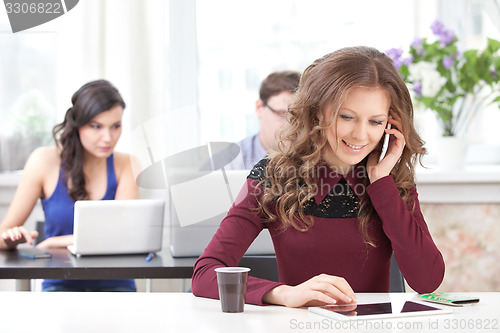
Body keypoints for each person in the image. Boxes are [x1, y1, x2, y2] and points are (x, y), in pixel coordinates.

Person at [192, 46, 445, 307]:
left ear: (391, 125)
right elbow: (205, 274)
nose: (360, 135)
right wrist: (284, 293)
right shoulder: (273, 178)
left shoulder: (392, 181)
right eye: (346, 117)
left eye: (375, 122)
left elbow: (427, 281)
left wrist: (381, 182)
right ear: (316, 111)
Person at [0, 79, 139, 292]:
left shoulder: (126, 164)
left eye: (115, 126)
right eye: (96, 126)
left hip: (117, 284)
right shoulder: (43, 161)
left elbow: (122, 237)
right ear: (77, 124)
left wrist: (54, 242)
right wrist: (11, 237)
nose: (108, 137)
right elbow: (3, 235)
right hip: (60, 285)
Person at [228, 70, 301, 170]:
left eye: (297, 117)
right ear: (259, 108)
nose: (290, 125)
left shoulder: (317, 161)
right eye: (281, 114)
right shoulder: (231, 161)